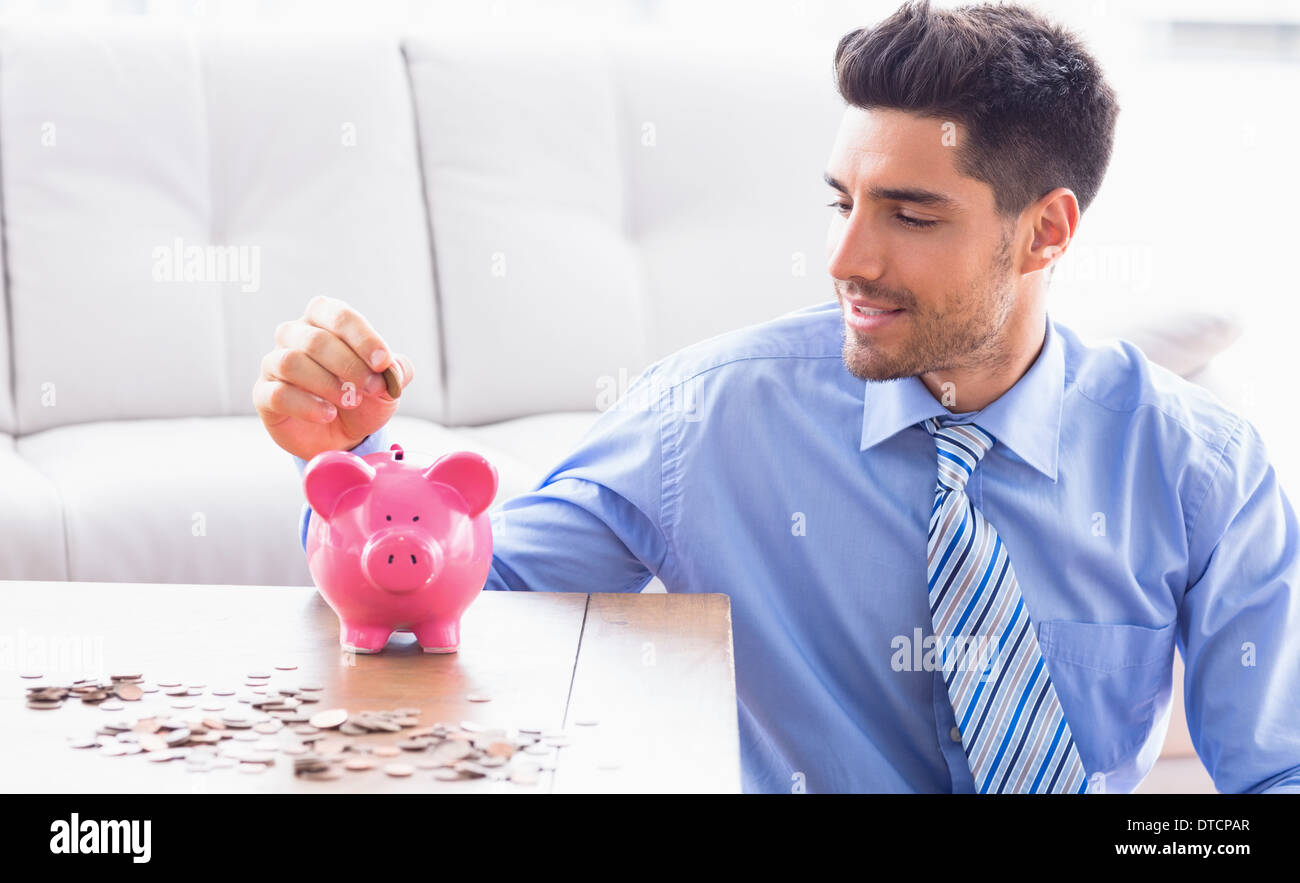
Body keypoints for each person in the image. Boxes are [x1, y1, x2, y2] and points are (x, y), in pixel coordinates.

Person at [252, 0, 1300, 793]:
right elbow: (457, 602)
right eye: (842, 202)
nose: (847, 257)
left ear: (1048, 231)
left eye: (910, 214)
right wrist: (351, 465)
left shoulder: (1199, 470)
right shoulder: (709, 422)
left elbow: (1267, 777)